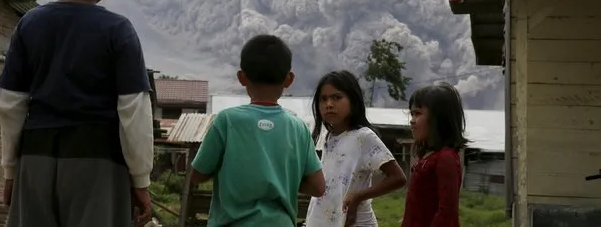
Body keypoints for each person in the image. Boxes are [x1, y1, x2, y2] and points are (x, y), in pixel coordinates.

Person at [0, 0, 154, 227]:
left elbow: (8, 103)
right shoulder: (118, 31)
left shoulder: (30, 24)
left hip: (35, 159)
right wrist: (140, 181)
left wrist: (12, 172)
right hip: (98, 165)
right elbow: (134, 112)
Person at [190, 34, 326, 226]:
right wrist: (283, 178)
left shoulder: (227, 121)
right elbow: (318, 187)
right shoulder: (299, 128)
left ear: (242, 77)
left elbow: (197, 174)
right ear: (289, 79)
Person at [305, 70, 407, 227]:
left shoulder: (363, 137)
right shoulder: (329, 138)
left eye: (337, 97)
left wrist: (358, 196)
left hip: (355, 221)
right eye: (323, 99)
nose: (329, 104)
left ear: (353, 101)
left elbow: (398, 178)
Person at [401, 82, 468, 227]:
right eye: (411, 114)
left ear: (438, 119)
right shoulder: (427, 156)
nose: (412, 120)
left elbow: (447, 212)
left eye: (418, 113)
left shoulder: (445, 158)